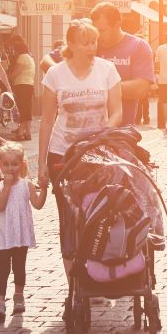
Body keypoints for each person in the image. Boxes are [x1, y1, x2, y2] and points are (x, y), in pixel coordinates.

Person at [38, 19, 122, 278]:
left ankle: (95, 273)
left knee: (97, 212)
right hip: (63, 152)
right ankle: (74, 281)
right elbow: (47, 120)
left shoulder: (107, 70)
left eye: (94, 41)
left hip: (97, 153)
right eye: (85, 42)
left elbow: (117, 109)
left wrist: (104, 131)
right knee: (69, 216)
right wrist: (41, 163)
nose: (91, 47)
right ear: (71, 44)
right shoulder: (55, 75)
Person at [0, 142, 47, 323]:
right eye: (6, 164)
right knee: (3, 268)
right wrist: (6, 187)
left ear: (22, 165)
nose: (10, 168)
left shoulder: (26, 185)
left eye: (14, 164)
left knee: (19, 266)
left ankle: (18, 296)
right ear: (0, 165)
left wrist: (44, 188)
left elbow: (37, 204)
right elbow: (0, 206)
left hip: (21, 234)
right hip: (4, 236)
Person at [91, 2, 155, 128]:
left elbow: (141, 89)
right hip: (86, 132)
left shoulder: (138, 46)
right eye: (95, 30)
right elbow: (46, 61)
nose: (97, 36)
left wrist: (93, 88)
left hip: (122, 131)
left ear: (118, 24)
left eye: (102, 31)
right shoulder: (89, 44)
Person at [6, 35, 37, 141]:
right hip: (29, 85)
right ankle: (27, 133)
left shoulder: (22, 57)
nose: (13, 52)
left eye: (14, 49)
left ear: (18, 49)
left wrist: (6, 77)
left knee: (22, 110)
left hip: (21, 85)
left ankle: (20, 133)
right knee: (27, 110)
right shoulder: (30, 57)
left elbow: (16, 73)